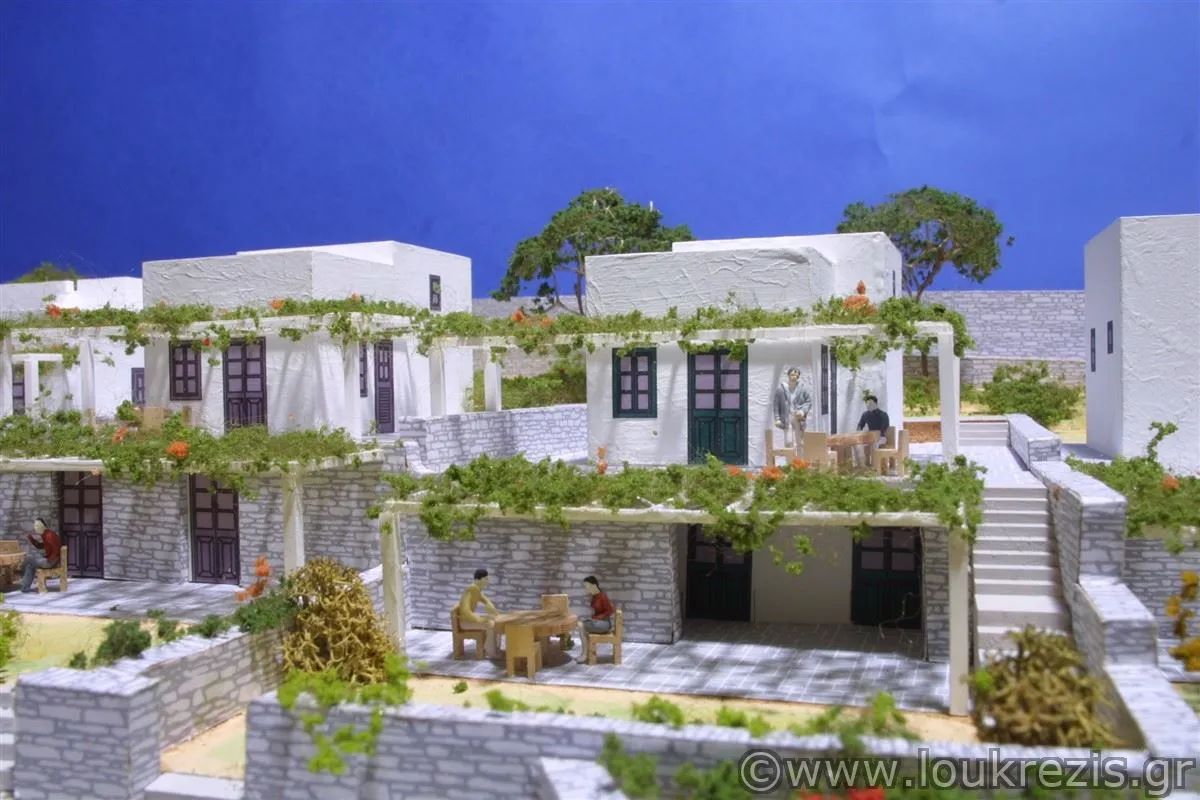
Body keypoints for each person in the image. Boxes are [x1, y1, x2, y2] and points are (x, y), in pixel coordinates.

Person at [457, 568, 501, 658]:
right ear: (478, 579)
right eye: (485, 579)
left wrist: (491, 608)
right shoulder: (471, 589)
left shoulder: (477, 589)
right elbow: (465, 611)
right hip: (465, 621)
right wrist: (480, 619)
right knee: (491, 624)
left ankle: (495, 648)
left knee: (496, 621)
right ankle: (491, 652)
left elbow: (485, 600)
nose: (488, 581)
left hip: (470, 618)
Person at [577, 575, 615, 663]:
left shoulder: (602, 596)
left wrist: (597, 618)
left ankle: (584, 654)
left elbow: (610, 610)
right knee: (580, 625)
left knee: (580, 625)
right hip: (598, 622)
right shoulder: (595, 596)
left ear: (593, 585)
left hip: (605, 624)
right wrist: (594, 618)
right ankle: (584, 653)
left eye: (587, 586)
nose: (586, 588)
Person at [773, 367, 812, 447]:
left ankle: (800, 455)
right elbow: (776, 405)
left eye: (796, 375)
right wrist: (777, 419)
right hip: (786, 417)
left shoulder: (802, 388)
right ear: (788, 375)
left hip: (798, 418)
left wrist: (803, 411)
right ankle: (789, 455)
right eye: (792, 375)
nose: (794, 377)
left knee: (800, 441)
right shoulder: (781, 389)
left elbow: (809, 401)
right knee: (788, 441)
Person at [20, 518, 60, 593]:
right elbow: (40, 546)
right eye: (35, 526)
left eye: (37, 525)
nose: (35, 528)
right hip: (50, 560)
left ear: (43, 526)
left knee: (29, 559)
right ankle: (25, 587)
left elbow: (56, 549)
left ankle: (21, 575)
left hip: (51, 562)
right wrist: (31, 539)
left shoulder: (49, 535)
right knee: (30, 565)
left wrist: (49, 560)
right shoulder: (45, 534)